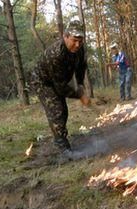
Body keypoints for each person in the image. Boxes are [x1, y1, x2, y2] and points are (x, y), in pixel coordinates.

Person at [31, 19, 90, 158]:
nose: (78, 44)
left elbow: (81, 68)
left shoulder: (80, 50)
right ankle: (62, 147)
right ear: (66, 36)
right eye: (74, 40)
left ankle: (62, 139)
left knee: (64, 110)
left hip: (57, 81)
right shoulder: (56, 54)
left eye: (81, 41)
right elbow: (61, 87)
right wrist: (80, 96)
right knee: (57, 109)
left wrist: (80, 86)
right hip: (42, 81)